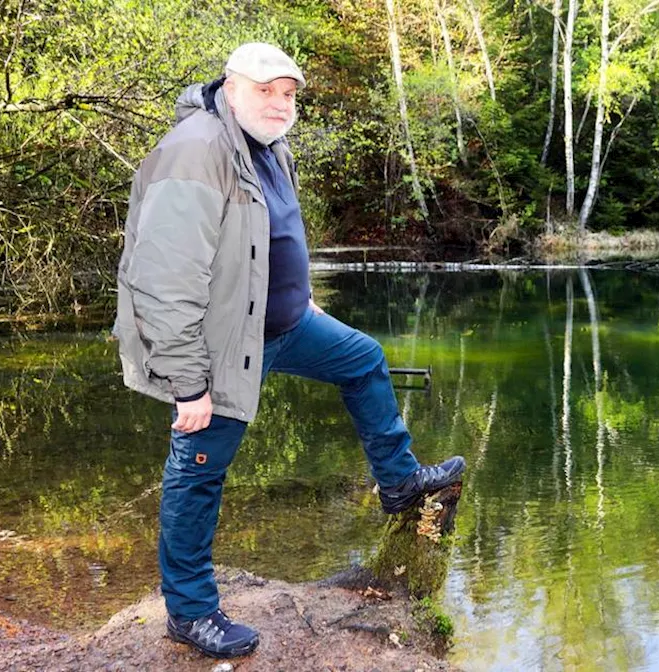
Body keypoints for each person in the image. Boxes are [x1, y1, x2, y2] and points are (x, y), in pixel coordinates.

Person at [112, 42, 465, 660]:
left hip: (283, 324)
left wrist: (303, 301)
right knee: (198, 471)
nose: (279, 104)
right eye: (264, 89)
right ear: (229, 84)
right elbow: (163, 279)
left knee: (363, 360)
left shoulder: (270, 146)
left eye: (288, 93)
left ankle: (400, 483)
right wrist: (189, 383)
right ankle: (190, 612)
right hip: (217, 345)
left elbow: (269, 239)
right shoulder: (195, 151)